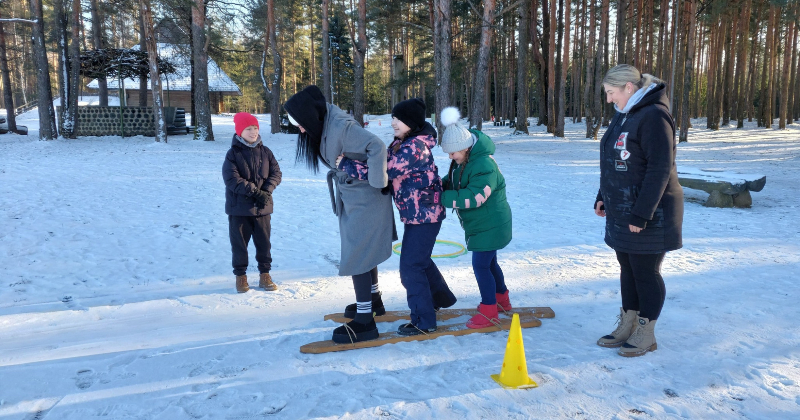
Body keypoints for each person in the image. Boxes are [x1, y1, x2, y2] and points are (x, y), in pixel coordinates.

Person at [284, 85, 395, 344]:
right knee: (363, 253)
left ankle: (365, 322)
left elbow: (377, 146)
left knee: (358, 256)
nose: (299, 129)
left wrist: (380, 183)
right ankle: (374, 301)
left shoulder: (341, 127)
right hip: (354, 199)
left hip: (367, 200)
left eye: (300, 123)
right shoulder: (326, 124)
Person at [337, 98, 457, 335]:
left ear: (411, 123)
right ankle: (440, 297)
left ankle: (424, 320)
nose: (392, 123)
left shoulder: (415, 148)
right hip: (417, 214)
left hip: (426, 215)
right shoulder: (404, 141)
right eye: (392, 117)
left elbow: (385, 170)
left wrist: (347, 165)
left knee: (411, 267)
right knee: (419, 260)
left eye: (398, 119)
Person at [594, 64, 684, 357]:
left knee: (645, 271)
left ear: (628, 89)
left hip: (651, 213)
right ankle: (628, 322)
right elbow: (613, 160)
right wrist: (603, 196)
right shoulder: (625, 115)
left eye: (611, 93)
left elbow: (660, 169)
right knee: (627, 267)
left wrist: (642, 214)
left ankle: (646, 331)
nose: (609, 99)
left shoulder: (655, 116)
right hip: (622, 208)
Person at [439, 107, 513, 329]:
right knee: (490, 263)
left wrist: (441, 198)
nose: (451, 157)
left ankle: (490, 311)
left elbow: (476, 197)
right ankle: (502, 300)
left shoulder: (483, 164)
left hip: (491, 224)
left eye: (453, 153)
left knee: (481, 265)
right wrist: (438, 185)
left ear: (465, 147)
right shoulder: (464, 160)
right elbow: (455, 181)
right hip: (482, 223)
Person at [222, 112, 282, 293]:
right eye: (248, 128)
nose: (253, 132)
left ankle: (265, 275)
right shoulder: (233, 154)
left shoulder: (266, 152)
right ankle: (241, 277)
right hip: (239, 209)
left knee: (264, 243)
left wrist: (267, 191)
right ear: (240, 131)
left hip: (262, 208)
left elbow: (276, 173)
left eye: (255, 128)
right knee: (239, 244)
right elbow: (232, 179)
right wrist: (256, 192)